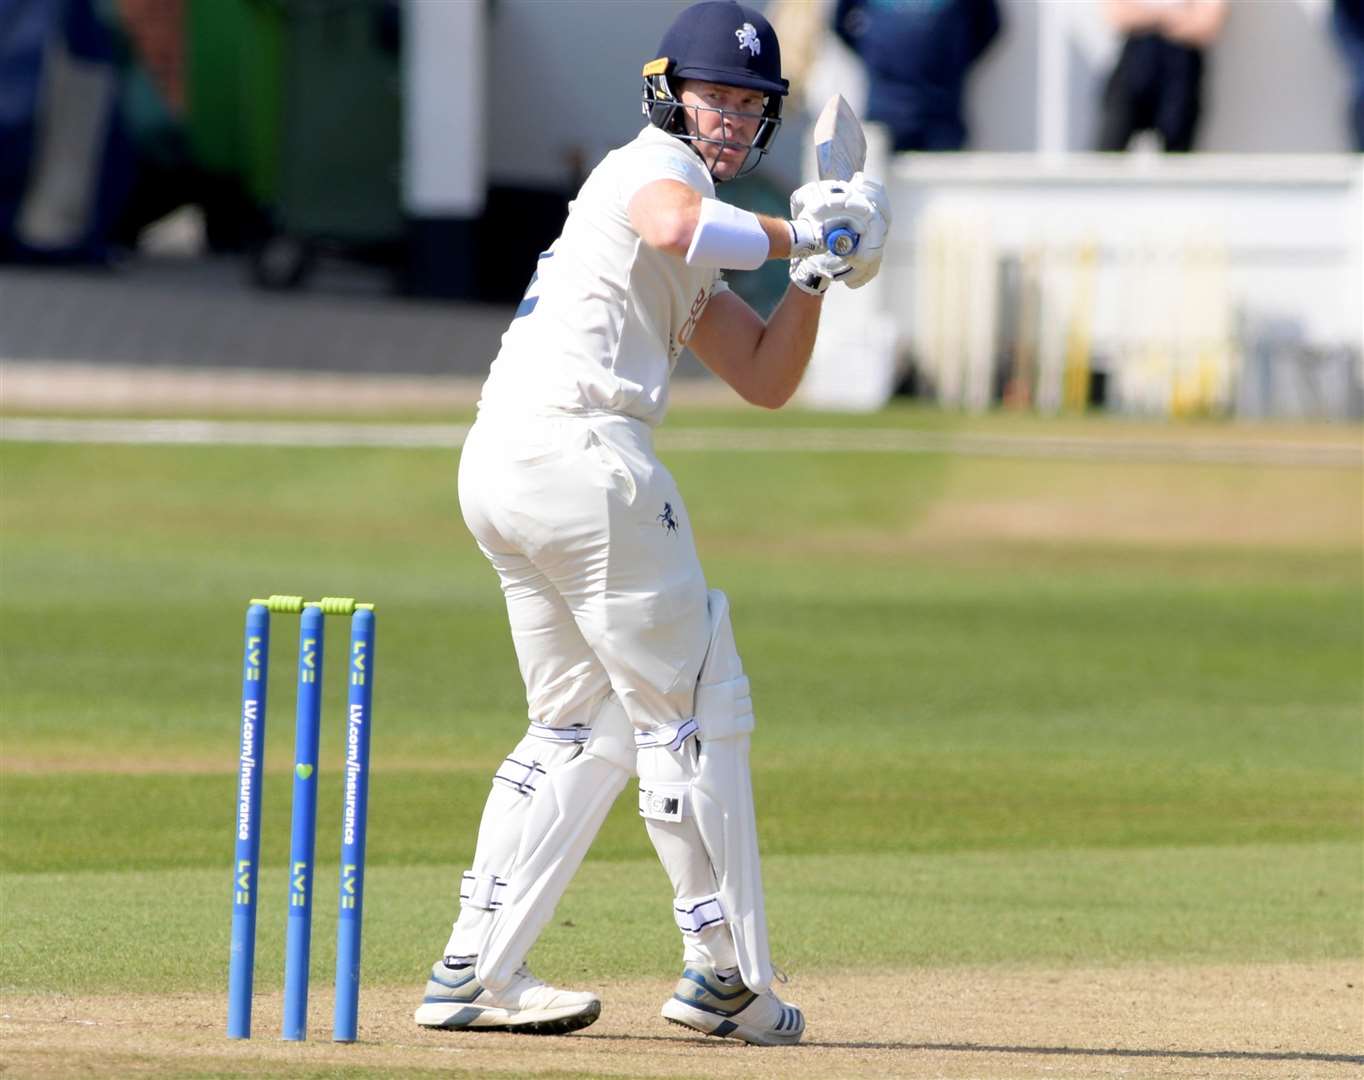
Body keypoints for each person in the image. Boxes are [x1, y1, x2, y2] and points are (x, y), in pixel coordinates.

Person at [412, 0, 890, 1046]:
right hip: (582, 458)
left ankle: (472, 971)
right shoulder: (643, 171)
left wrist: (811, 274)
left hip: (506, 464)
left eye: (750, 104)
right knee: (694, 707)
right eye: (713, 95)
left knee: (578, 725)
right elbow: (678, 222)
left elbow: (763, 377)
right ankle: (724, 975)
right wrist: (801, 228)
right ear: (668, 91)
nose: (728, 117)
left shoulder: (693, 225)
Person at [833, 0, 1002, 152]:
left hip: (941, 118)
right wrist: (875, 58)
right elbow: (839, 24)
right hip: (883, 113)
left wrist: (954, 61)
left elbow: (989, 26)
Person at [1095, 0, 1229, 153]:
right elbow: (1116, 15)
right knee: (1108, 150)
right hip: (1135, 61)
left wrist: (1147, 17)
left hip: (1182, 67)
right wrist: (1176, 16)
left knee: (1177, 158)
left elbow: (1207, 25)